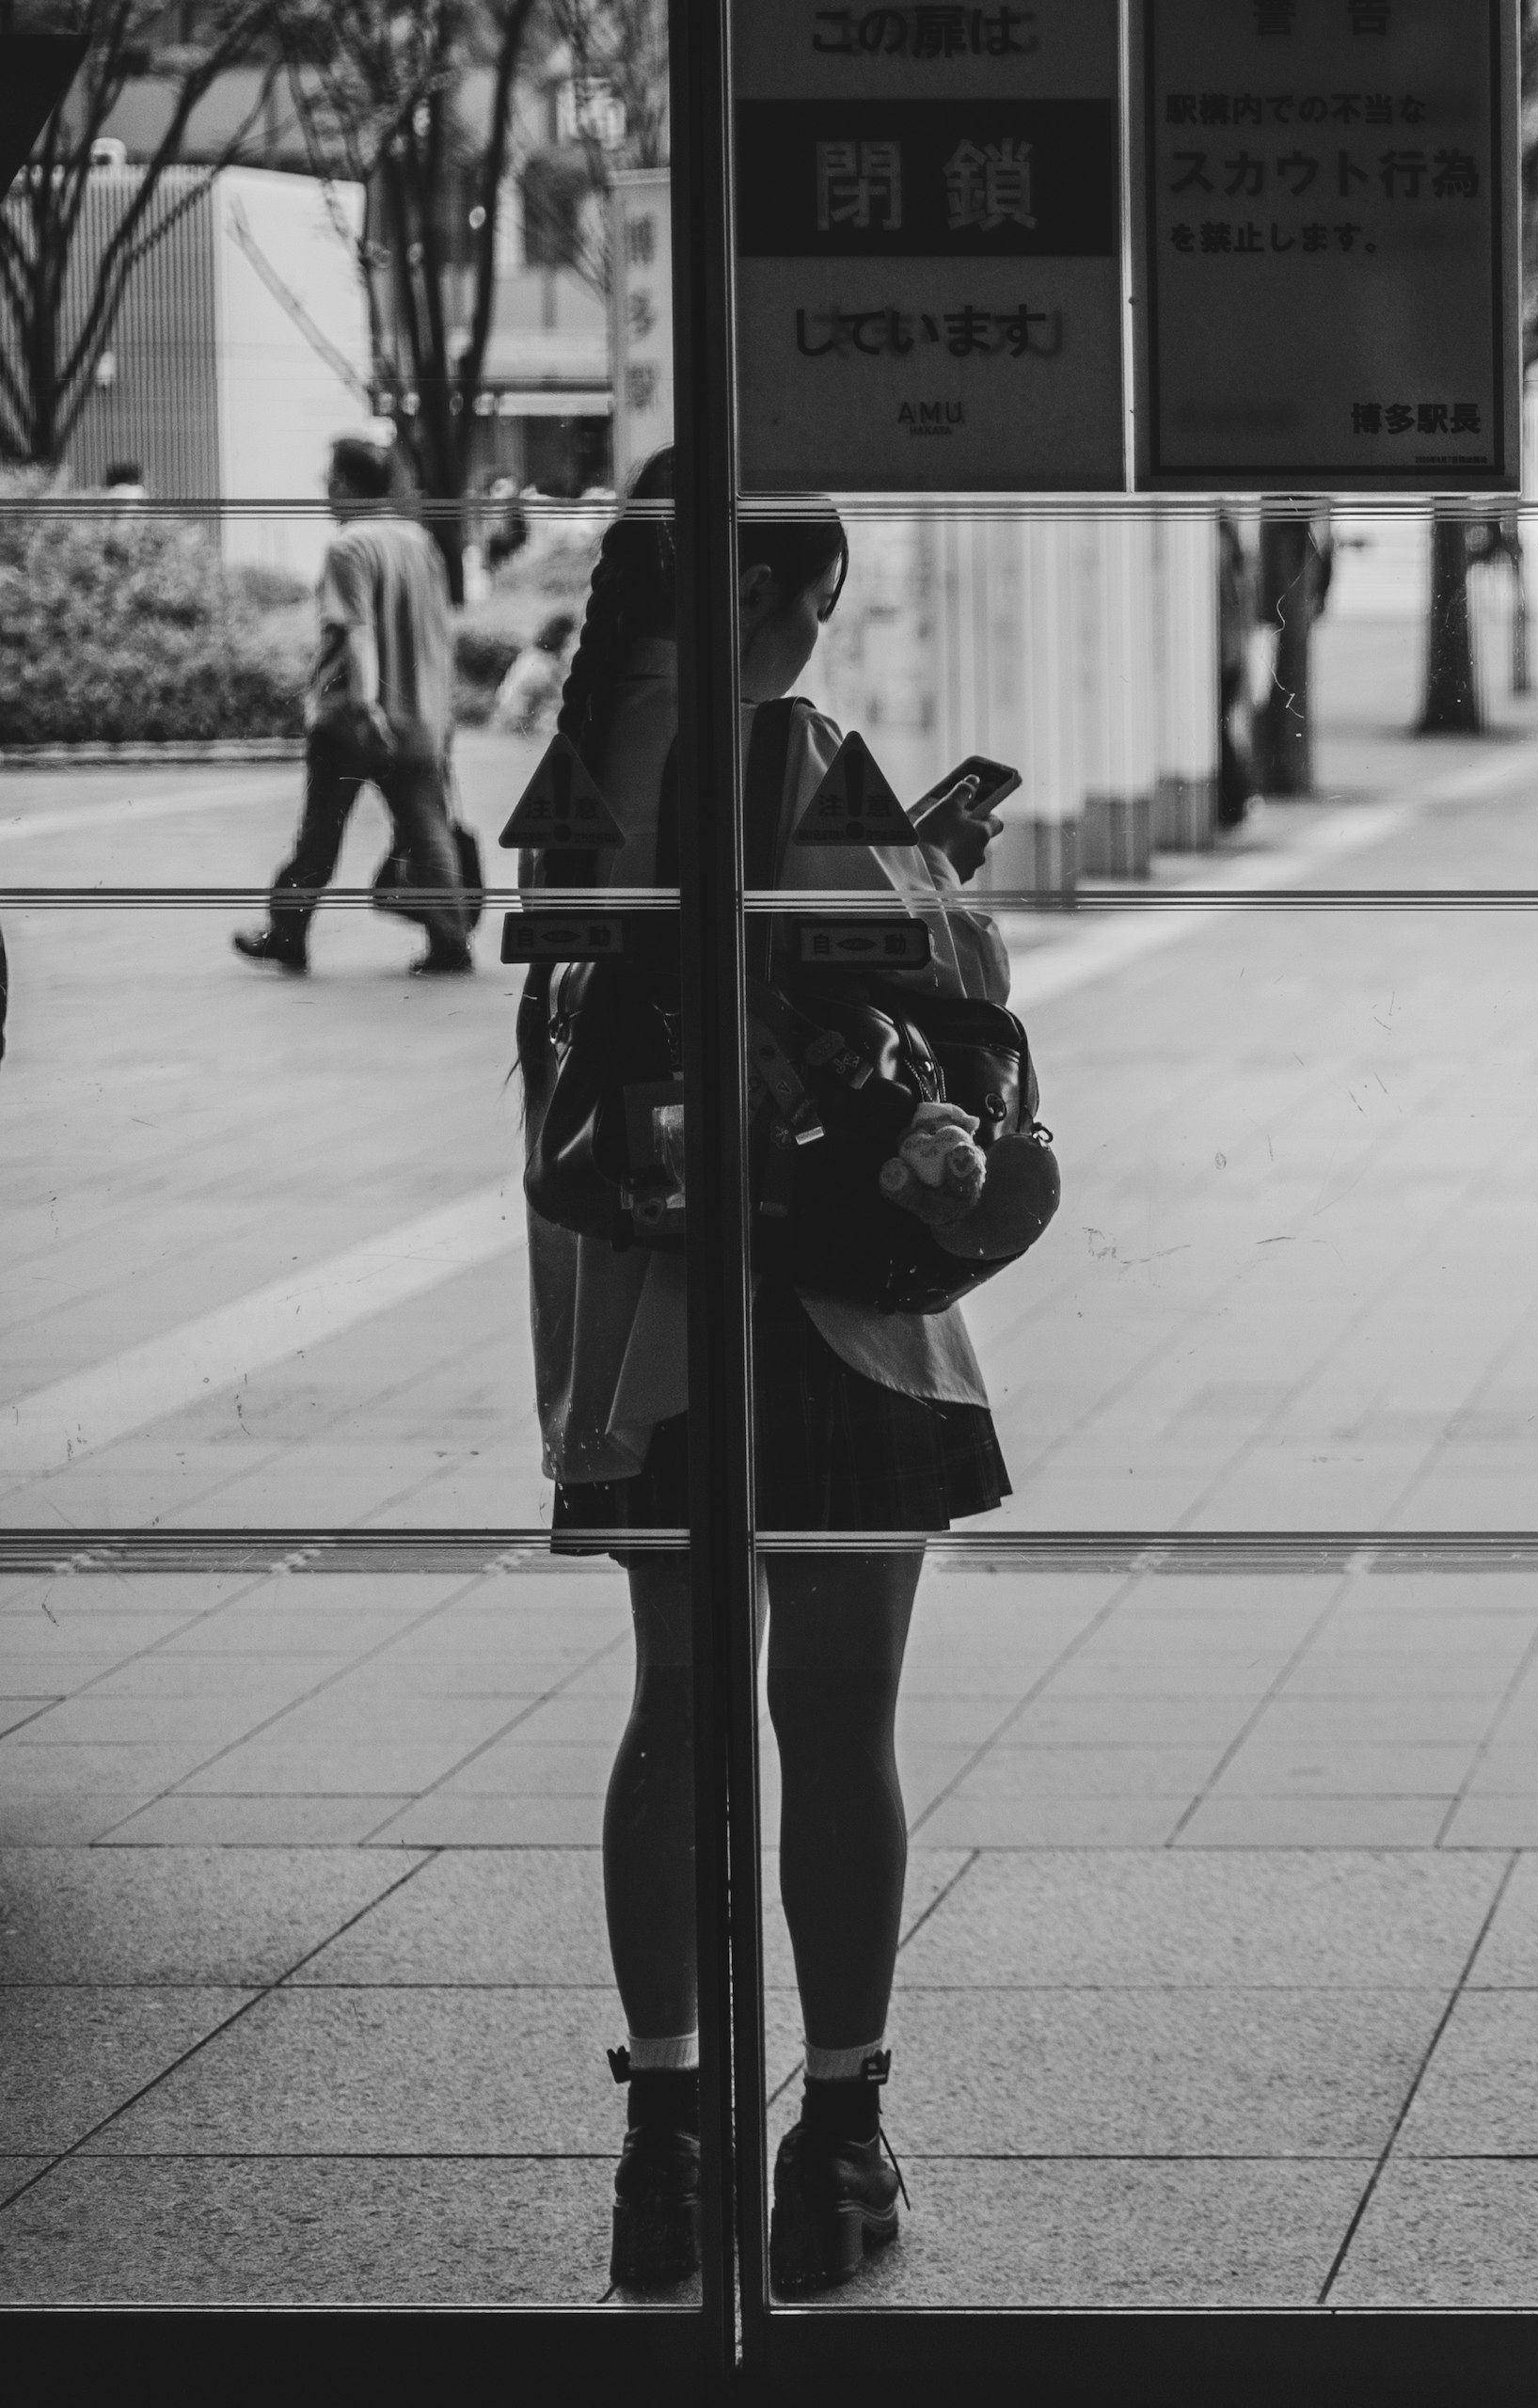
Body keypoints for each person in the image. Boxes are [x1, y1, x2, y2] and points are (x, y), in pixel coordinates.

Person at [531, 451, 1015, 2300]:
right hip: (836, 1306)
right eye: (818, 596)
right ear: (771, 598)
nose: (821, 628)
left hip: (648, 1322)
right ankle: (838, 2134)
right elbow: (927, 1004)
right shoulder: (796, 756)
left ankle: (668, 2141)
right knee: (836, 1715)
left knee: (676, 1712)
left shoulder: (581, 781)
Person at [233, 435, 471, 976]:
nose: (325, 487)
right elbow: (439, 632)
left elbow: (356, 631)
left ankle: (287, 934)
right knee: (429, 828)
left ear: (347, 483)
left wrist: (365, 706)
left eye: (330, 477)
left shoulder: (348, 548)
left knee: (318, 834)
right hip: (420, 716)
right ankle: (451, 940)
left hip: (353, 720)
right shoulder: (418, 541)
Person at [496, 610, 577, 736]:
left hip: (513, 714)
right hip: (519, 720)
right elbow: (559, 694)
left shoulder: (534, 655)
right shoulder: (542, 662)